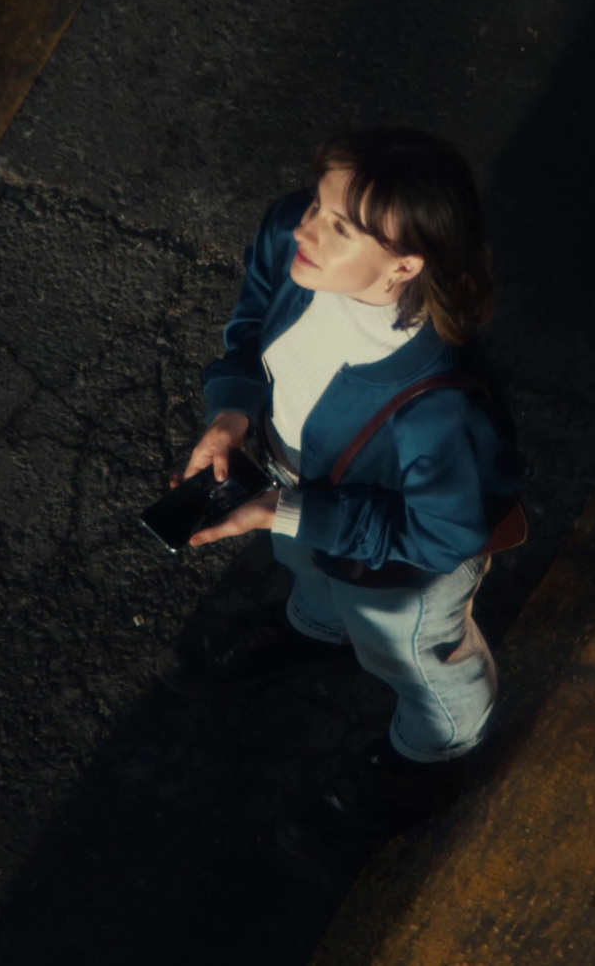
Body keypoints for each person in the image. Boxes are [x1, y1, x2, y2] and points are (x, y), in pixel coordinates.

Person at [162, 128, 527, 857]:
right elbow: (250, 319)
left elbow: (442, 535)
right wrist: (233, 413)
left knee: (415, 654)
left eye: (339, 226)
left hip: (405, 566)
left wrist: (289, 510)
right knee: (307, 566)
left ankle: (432, 751)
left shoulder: (439, 406)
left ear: (403, 265)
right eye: (316, 205)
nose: (305, 228)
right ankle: (315, 630)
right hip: (301, 494)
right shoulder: (291, 246)